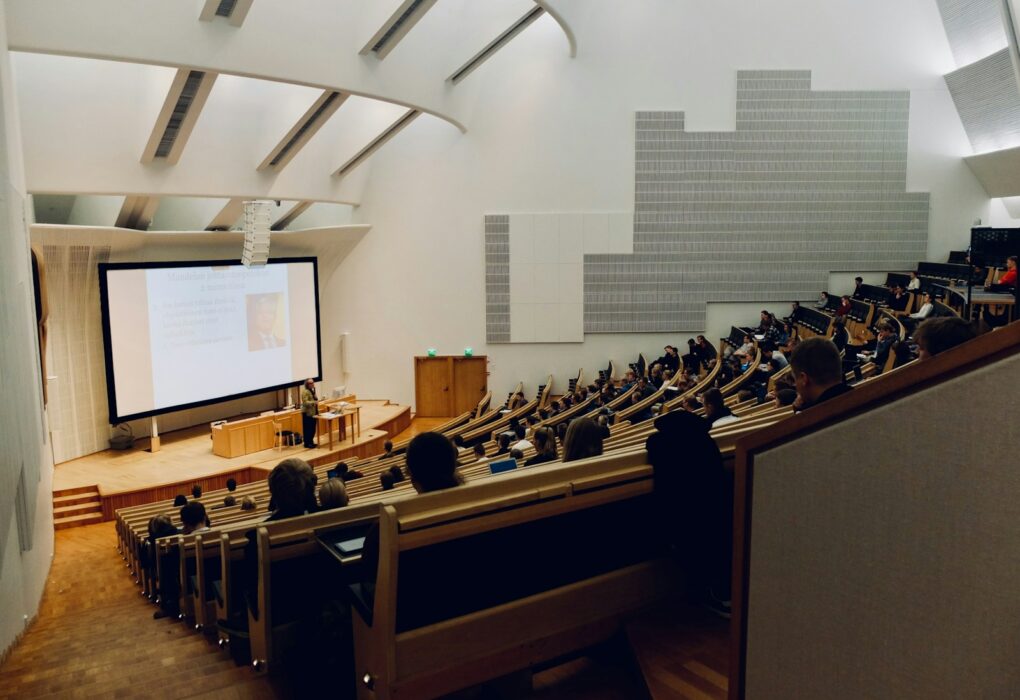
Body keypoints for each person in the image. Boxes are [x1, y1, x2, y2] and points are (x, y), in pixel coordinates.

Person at [645, 410, 732, 618]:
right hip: (715, 511)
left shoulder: (664, 445)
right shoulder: (706, 442)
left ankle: (711, 594)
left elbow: (652, 444)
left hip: (685, 518)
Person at [789, 337, 852, 410]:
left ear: (804, 378)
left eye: (795, 379)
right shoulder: (863, 398)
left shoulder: (812, 419)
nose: (796, 385)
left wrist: (799, 412)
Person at [300, 378, 319, 449]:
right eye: (311, 383)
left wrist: (315, 398)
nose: (313, 384)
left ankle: (310, 442)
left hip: (313, 412)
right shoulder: (305, 392)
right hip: (307, 413)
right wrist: (314, 402)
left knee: (312, 428)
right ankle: (308, 443)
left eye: (313, 382)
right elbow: (305, 402)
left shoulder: (312, 391)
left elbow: (313, 400)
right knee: (308, 429)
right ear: (307, 384)